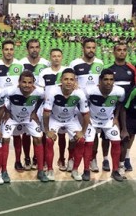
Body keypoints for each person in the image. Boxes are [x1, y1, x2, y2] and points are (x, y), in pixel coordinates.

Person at [43, 68, 90, 181]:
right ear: (61, 80)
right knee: (49, 140)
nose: (68, 82)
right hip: (55, 118)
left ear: (75, 81)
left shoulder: (79, 93)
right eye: (66, 79)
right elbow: (46, 113)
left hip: (71, 119)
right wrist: (47, 130)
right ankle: (50, 169)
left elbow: (86, 114)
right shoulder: (53, 91)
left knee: (81, 140)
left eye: (71, 79)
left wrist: (82, 132)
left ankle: (75, 170)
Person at [1, 71, 45, 182]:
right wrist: (6, 111)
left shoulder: (39, 91)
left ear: (33, 83)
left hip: (28, 119)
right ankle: (4, 171)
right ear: (19, 82)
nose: (26, 85)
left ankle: (40, 171)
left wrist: (35, 111)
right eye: (24, 82)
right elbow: (0, 98)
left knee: (39, 138)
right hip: (12, 118)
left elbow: (42, 98)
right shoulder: (10, 91)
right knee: (5, 139)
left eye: (30, 82)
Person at [83, 69, 125, 182]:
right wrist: (87, 118)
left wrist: (116, 117)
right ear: (100, 80)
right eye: (106, 79)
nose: (108, 82)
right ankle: (86, 170)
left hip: (108, 121)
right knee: (89, 142)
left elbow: (120, 104)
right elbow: (83, 104)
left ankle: (115, 170)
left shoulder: (120, 91)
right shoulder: (90, 91)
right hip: (92, 120)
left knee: (116, 141)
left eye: (111, 80)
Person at [69, 38, 104, 172]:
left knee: (93, 133)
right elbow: (69, 78)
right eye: (88, 47)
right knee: (74, 133)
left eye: (93, 48)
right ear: (83, 48)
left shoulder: (100, 63)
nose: (91, 50)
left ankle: (92, 159)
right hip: (78, 104)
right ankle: (71, 158)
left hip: (94, 104)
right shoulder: (75, 63)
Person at [0, 40, 24, 172]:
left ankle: (17, 161)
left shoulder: (20, 65)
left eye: (11, 49)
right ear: (2, 50)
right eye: (6, 49)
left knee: (17, 135)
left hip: (15, 105)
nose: (9, 52)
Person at [105, 43, 136, 176]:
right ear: (114, 52)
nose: (122, 52)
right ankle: (105, 159)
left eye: (124, 50)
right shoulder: (109, 69)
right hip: (112, 107)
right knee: (106, 135)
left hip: (128, 106)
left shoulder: (132, 69)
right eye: (119, 50)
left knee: (130, 132)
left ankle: (127, 157)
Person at [20, 39, 50, 171]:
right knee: (26, 132)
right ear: (27, 49)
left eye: (37, 47)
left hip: (42, 102)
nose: (34, 49)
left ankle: (38, 158)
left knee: (41, 132)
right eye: (31, 47)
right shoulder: (21, 63)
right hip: (27, 101)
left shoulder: (46, 64)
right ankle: (26, 157)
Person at [38, 48, 68, 172]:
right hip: (47, 108)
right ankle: (45, 160)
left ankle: (61, 158)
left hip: (62, 107)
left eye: (58, 56)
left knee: (62, 135)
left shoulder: (66, 71)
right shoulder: (44, 72)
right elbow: (40, 90)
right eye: (54, 56)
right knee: (47, 134)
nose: (56, 58)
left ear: (62, 57)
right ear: (50, 58)